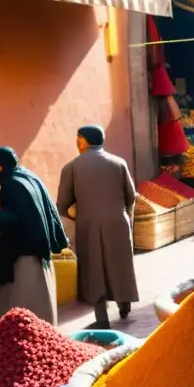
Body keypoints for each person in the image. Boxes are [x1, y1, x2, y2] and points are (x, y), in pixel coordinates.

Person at [56, 125, 139, 328]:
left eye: (78, 138)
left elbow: (62, 204)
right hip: (118, 222)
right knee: (120, 264)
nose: (77, 142)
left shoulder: (71, 167)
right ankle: (124, 304)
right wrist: (127, 218)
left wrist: (76, 214)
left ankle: (102, 318)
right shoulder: (119, 163)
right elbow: (131, 196)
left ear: (84, 141)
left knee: (94, 268)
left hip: (89, 224)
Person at [0, 147, 68, 324]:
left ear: (0, 165)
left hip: (26, 254)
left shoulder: (11, 184)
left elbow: (14, 217)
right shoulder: (27, 176)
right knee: (42, 304)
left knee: (27, 309)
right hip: (41, 248)